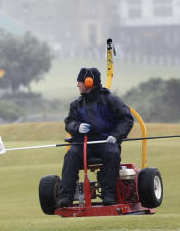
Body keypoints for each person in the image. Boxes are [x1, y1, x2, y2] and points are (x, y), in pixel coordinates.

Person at [56, 67, 134, 207]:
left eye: (79, 82)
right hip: (83, 143)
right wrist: (77, 127)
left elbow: (126, 119)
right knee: (71, 155)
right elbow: (69, 123)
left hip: (106, 141)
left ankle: (109, 195)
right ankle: (66, 196)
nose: (77, 85)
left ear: (89, 82)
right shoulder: (76, 104)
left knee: (112, 154)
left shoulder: (111, 100)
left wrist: (116, 136)